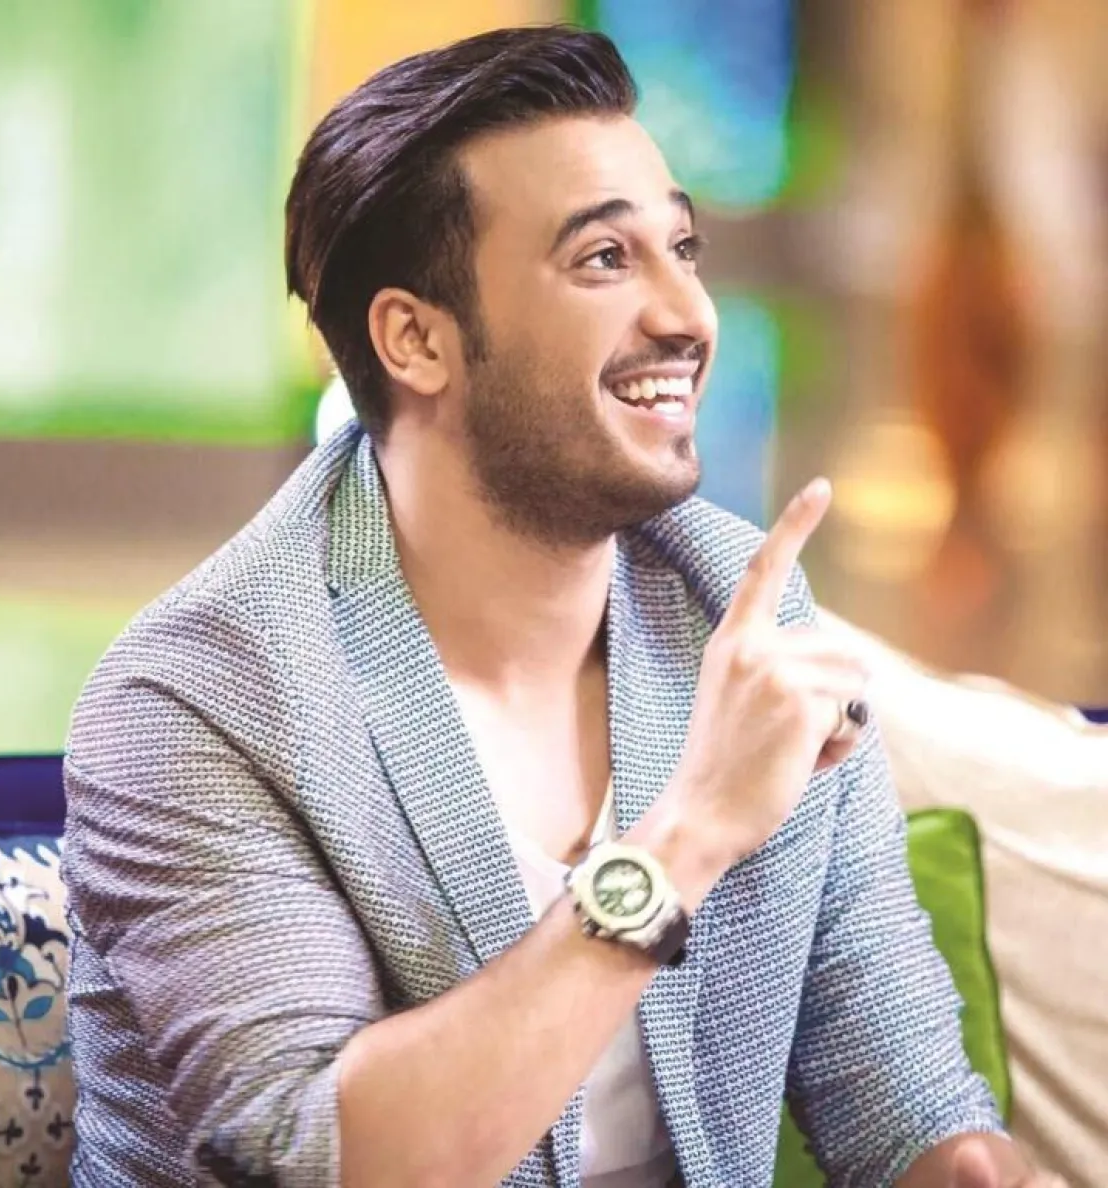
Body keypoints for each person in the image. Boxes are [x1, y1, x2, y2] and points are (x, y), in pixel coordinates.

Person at [61, 25, 1066, 1188]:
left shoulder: (730, 609)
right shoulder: (197, 700)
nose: (687, 315)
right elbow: (321, 1161)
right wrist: (687, 835)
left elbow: (905, 1107)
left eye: (681, 248)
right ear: (416, 339)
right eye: (603, 259)